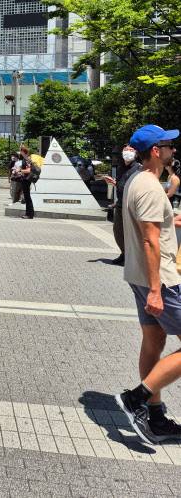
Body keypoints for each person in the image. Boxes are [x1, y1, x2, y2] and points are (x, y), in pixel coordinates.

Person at [115, 124, 181, 445]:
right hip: (161, 280)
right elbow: (150, 240)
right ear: (156, 151)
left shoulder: (136, 181)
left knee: (153, 341)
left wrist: (171, 220)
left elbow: (151, 225)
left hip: (139, 276)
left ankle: (154, 419)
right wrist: (156, 290)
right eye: (169, 145)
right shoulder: (151, 187)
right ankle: (137, 398)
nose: (173, 150)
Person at [104, 145, 142, 266]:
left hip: (131, 206)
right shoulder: (121, 168)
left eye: (131, 150)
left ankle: (131, 257)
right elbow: (121, 184)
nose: (128, 152)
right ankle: (124, 253)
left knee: (130, 233)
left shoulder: (139, 168)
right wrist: (114, 182)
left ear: (136, 153)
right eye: (126, 150)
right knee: (118, 231)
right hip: (120, 204)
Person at [18, 145, 35, 219]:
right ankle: (29, 213)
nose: (19, 152)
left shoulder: (28, 159)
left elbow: (28, 170)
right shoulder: (25, 159)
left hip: (26, 180)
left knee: (27, 197)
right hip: (25, 179)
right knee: (27, 197)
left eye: (20, 151)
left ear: (23, 152)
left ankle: (29, 214)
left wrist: (20, 170)